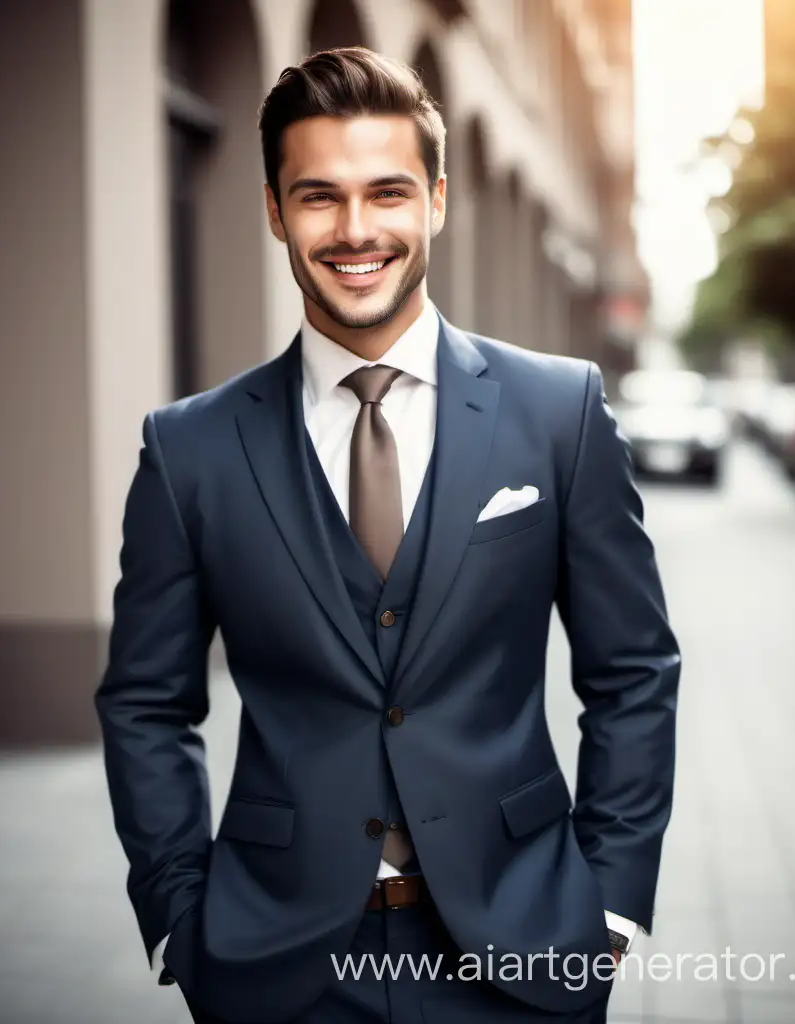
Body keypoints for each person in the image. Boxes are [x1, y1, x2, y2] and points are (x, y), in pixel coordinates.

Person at [94, 46, 680, 1024]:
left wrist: (610, 905)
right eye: (318, 196)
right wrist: (176, 914)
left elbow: (632, 672)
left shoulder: (557, 411)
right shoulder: (188, 448)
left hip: (522, 951)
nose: (356, 230)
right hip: (275, 964)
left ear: (437, 201)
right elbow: (146, 702)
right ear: (275, 210)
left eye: (388, 192)